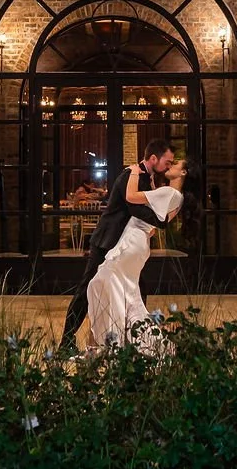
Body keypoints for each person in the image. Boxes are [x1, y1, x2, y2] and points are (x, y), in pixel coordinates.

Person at [58, 138, 174, 349]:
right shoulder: (132, 175)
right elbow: (136, 209)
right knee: (86, 290)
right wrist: (164, 220)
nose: (169, 167)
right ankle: (66, 341)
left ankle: (134, 340)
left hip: (123, 247)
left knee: (138, 289)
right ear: (154, 158)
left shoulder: (146, 178)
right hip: (107, 243)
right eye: (167, 162)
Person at [85, 154, 187, 348]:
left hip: (132, 242)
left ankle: (108, 343)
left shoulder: (168, 193)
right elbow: (158, 222)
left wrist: (132, 172)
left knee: (103, 284)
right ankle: (132, 341)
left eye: (176, 164)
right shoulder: (178, 198)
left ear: (183, 173)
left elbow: (131, 196)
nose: (170, 165)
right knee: (125, 292)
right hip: (140, 243)